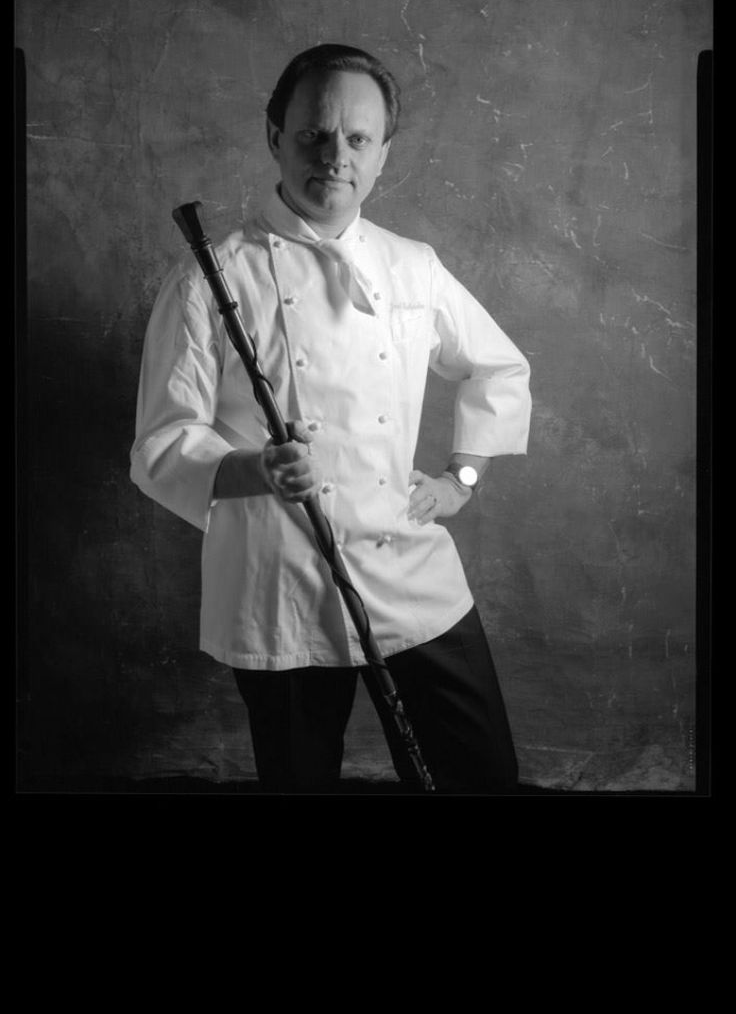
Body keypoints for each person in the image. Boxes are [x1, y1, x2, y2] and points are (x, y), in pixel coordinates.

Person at [130, 43, 531, 794]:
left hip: (406, 566)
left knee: (481, 773)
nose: (335, 155)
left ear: (383, 154)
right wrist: (253, 468)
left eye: (357, 139)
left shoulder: (415, 265)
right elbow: (158, 443)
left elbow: (500, 368)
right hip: (280, 578)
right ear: (275, 135)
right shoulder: (208, 278)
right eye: (314, 134)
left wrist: (461, 478)